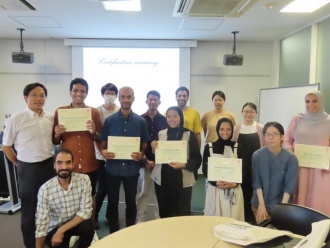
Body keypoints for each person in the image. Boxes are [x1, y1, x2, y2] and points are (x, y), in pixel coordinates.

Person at [2, 83, 55, 248]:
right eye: (35, 95)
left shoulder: (50, 117)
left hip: (49, 166)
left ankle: (46, 237)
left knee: (49, 205)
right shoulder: (16, 119)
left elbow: (54, 140)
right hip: (28, 168)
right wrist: (19, 163)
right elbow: (6, 146)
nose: (39, 99)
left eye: (42, 95)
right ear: (26, 97)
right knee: (30, 208)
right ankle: (30, 243)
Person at [53, 78, 103, 223]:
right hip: (68, 164)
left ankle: (91, 223)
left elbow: (100, 138)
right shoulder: (60, 111)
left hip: (89, 162)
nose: (79, 94)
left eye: (82, 91)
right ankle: (70, 225)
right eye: (76, 90)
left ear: (86, 93)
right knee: (68, 195)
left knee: (90, 194)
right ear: (70, 92)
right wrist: (56, 133)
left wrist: (94, 132)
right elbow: (55, 141)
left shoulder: (93, 112)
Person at [100, 86, 150, 233]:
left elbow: (144, 144)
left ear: (133, 99)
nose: (126, 100)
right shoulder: (109, 121)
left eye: (129, 97)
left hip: (131, 169)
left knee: (131, 203)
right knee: (112, 203)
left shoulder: (140, 121)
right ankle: (114, 234)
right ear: (119, 98)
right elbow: (103, 144)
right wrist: (104, 152)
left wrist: (141, 154)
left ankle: (129, 233)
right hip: (112, 169)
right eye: (123, 96)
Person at [283, 90, 330, 216]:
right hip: (299, 167)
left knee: (319, 201)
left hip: (320, 171)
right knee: (300, 198)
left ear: (321, 102)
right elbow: (287, 140)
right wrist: (292, 153)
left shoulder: (329, 121)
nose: (310, 104)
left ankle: (322, 232)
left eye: (315, 101)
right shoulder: (297, 118)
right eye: (307, 101)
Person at [35, 149, 94, 248]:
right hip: (55, 226)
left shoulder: (84, 180)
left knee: (87, 229)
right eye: (59, 163)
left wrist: (61, 230)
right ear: (54, 165)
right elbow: (42, 222)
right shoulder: (45, 189)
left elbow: (86, 211)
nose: (64, 167)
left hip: (75, 222)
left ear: (73, 164)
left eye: (68, 162)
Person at [151, 106, 202, 218]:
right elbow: (155, 156)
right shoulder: (161, 134)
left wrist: (183, 164)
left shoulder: (189, 134)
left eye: (175, 116)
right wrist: (153, 147)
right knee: (164, 211)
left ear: (181, 117)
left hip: (182, 179)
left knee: (182, 212)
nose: (171, 119)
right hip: (163, 178)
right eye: (169, 116)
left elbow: (196, 159)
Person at [252, 122, 299, 224]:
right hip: (260, 203)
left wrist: (281, 210)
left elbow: (289, 187)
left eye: (275, 134)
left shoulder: (291, 158)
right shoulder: (257, 155)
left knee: (278, 234)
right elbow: (257, 182)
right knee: (262, 234)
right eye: (267, 135)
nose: (271, 138)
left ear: (282, 137)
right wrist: (261, 204)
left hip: (282, 204)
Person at [202, 118, 244, 221]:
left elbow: (244, 170)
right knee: (215, 220)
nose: (225, 132)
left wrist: (234, 184)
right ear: (217, 130)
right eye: (222, 129)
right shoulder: (209, 147)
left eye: (228, 129)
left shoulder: (238, 147)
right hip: (216, 189)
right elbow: (205, 169)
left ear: (232, 131)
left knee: (233, 220)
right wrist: (215, 182)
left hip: (233, 189)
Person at [137, 90, 168, 223]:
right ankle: (141, 219)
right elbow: (137, 141)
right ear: (146, 101)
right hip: (143, 163)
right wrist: (145, 161)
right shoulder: (139, 119)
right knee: (143, 192)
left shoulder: (165, 120)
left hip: (160, 164)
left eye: (155, 99)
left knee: (159, 194)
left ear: (159, 102)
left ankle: (158, 218)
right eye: (150, 99)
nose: (153, 102)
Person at [232, 103, 265, 223]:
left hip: (256, 165)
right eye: (246, 111)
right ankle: (243, 215)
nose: (248, 114)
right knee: (243, 190)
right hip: (241, 165)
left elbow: (264, 147)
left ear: (255, 113)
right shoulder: (237, 128)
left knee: (256, 189)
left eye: (251, 111)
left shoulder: (260, 128)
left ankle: (254, 215)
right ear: (242, 113)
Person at [94, 83, 120, 229]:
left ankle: (110, 215)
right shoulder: (97, 111)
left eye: (112, 93)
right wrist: (102, 153)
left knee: (114, 189)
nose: (110, 95)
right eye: (107, 92)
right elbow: (96, 135)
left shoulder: (119, 110)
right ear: (102, 94)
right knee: (102, 188)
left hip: (117, 155)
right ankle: (94, 215)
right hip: (100, 156)